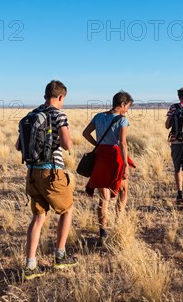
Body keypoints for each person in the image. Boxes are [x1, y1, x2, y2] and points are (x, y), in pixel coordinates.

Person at [15, 80, 77, 280]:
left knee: (38, 217)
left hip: (32, 172)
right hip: (51, 172)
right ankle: (60, 256)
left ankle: (30, 265)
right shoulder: (58, 115)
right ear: (60, 97)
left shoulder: (31, 115)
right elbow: (67, 145)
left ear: (45, 95)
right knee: (67, 210)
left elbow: (18, 146)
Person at [82, 91, 135, 245]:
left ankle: (102, 233)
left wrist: (98, 145)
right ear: (123, 104)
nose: (127, 110)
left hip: (101, 157)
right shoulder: (122, 120)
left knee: (103, 197)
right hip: (115, 157)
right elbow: (122, 143)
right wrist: (125, 165)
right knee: (123, 191)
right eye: (127, 107)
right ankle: (119, 225)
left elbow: (85, 133)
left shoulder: (98, 116)